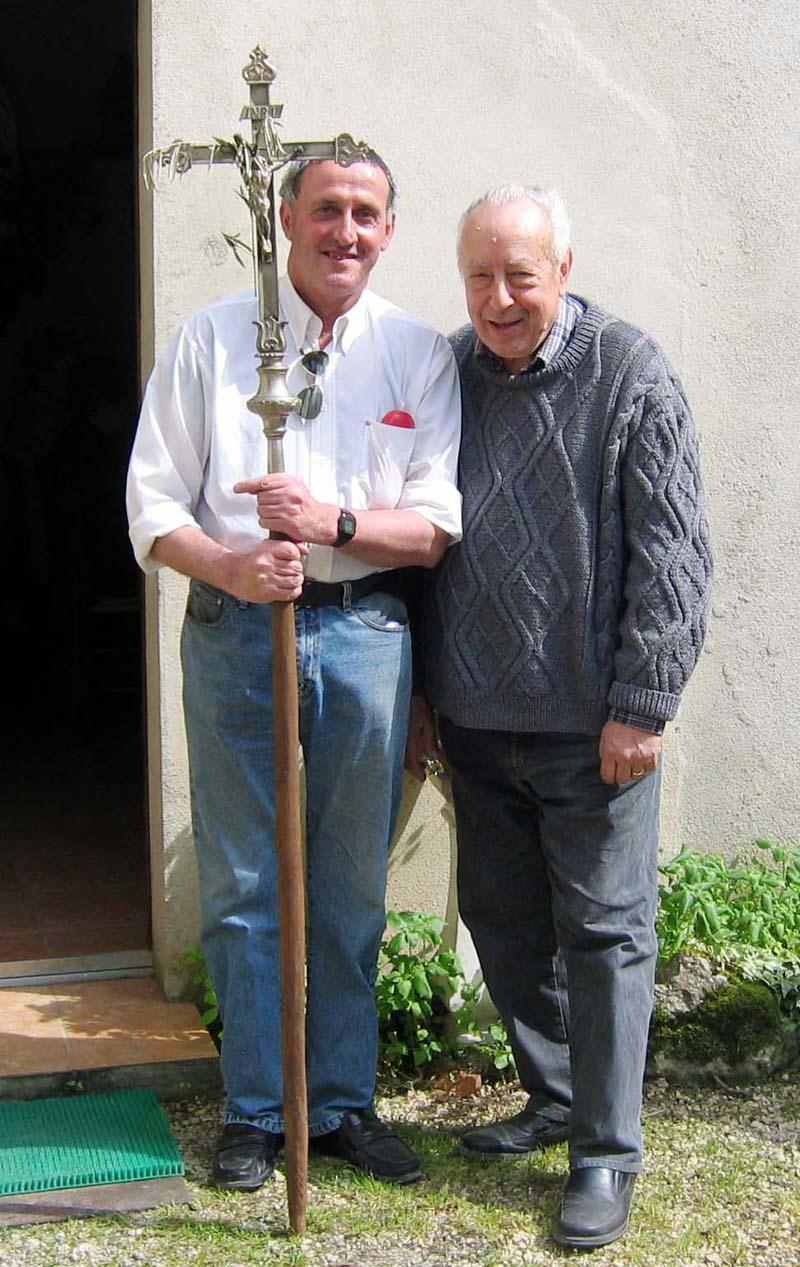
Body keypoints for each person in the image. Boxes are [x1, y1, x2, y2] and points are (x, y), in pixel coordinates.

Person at [127, 154, 461, 1190]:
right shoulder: (213, 339)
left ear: (389, 229)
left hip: (365, 636)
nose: (344, 231)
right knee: (243, 881)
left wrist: (332, 524)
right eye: (325, 210)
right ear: (284, 218)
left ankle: (343, 1101)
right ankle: (257, 1109)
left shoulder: (415, 352)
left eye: (365, 213)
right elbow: (152, 503)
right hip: (237, 630)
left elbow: (434, 526)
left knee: (350, 883)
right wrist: (232, 564)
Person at [406, 185, 712, 1249]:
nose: (497, 299)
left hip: (594, 727)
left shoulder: (631, 375)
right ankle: (554, 1095)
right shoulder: (447, 372)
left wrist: (641, 702)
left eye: (519, 277)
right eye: (478, 277)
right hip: (475, 718)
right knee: (500, 917)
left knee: (606, 933)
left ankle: (605, 1154)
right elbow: (420, 538)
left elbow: (673, 556)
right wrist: (424, 693)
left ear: (563, 271)